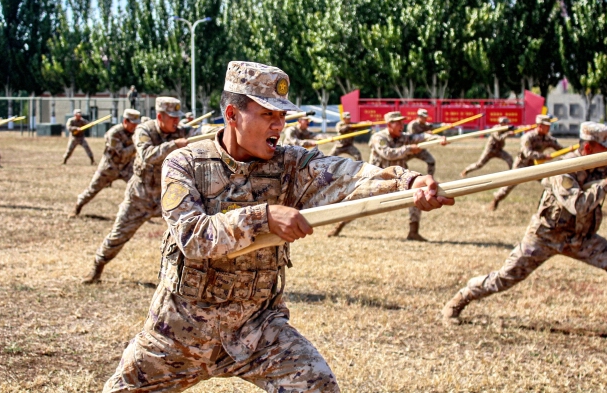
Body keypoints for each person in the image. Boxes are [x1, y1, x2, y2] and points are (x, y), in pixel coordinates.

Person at [102, 61, 454, 392]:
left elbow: (345, 175)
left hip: (257, 331)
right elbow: (193, 236)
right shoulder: (185, 163)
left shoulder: (289, 164)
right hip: (177, 333)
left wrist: (407, 184)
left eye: (281, 115)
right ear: (232, 114)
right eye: (267, 114)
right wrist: (264, 216)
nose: (278, 125)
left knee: (318, 385)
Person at [442, 122, 607, 336]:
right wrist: (605, 185)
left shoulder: (603, 164)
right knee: (505, 278)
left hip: (579, 238)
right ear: (589, 148)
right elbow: (578, 205)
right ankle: (459, 301)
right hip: (545, 237)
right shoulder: (564, 170)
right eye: (606, 148)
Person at [82, 97, 187, 284]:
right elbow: (147, 155)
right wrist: (174, 145)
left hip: (167, 198)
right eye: (172, 117)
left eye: (178, 117)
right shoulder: (144, 130)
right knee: (118, 235)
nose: (176, 121)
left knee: (187, 234)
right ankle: (97, 267)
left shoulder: (180, 132)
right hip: (139, 196)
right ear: (160, 116)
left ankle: (183, 278)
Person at [328, 111, 446, 241]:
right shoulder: (378, 138)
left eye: (402, 122)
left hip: (399, 179)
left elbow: (420, 136)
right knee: (360, 205)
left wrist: (438, 138)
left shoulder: (403, 137)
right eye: (398, 123)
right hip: (376, 179)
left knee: (416, 194)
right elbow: (388, 154)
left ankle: (413, 232)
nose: (402, 125)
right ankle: (340, 225)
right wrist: (408, 149)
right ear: (389, 124)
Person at [71, 109, 142, 217]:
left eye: (137, 124)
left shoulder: (137, 132)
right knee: (92, 190)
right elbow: (122, 153)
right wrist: (138, 145)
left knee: (139, 188)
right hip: (109, 168)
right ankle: (77, 207)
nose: (135, 127)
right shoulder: (113, 133)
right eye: (133, 124)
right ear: (125, 121)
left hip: (126, 167)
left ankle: (139, 213)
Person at [489, 114, 563, 210]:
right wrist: (544, 156)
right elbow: (527, 153)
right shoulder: (528, 137)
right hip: (522, 164)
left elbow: (560, 149)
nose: (549, 128)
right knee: (510, 184)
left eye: (549, 126)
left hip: (535, 165)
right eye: (546, 126)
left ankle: (543, 207)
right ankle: (496, 199)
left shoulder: (547, 138)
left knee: (548, 183)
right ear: (539, 126)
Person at [406, 108, 441, 175]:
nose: (425, 119)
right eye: (423, 117)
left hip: (420, 149)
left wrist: (446, 125)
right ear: (418, 116)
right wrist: (426, 133)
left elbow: (435, 126)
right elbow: (412, 138)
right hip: (410, 148)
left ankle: (430, 178)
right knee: (400, 163)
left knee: (431, 161)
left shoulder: (425, 125)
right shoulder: (413, 125)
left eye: (425, 117)